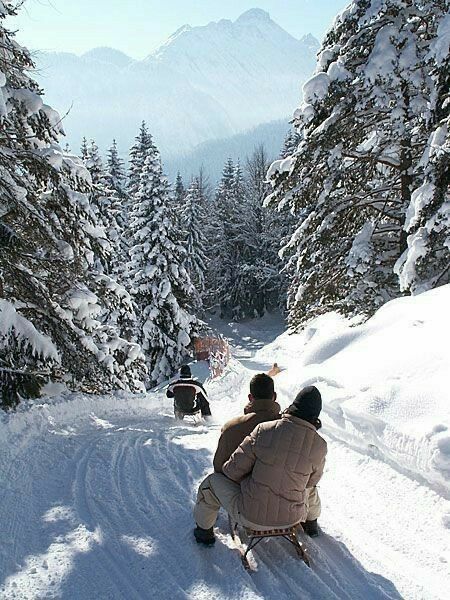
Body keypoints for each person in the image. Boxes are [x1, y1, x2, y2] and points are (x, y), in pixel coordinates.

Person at [193, 386, 327, 545]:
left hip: (251, 516)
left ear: (293, 406)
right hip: (293, 519)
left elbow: (232, 471)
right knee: (309, 488)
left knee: (211, 483)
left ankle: (204, 533)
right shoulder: (320, 445)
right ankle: (311, 525)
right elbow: (312, 482)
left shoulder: (264, 430)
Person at [213, 373, 280, 473]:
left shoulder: (230, 428)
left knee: (211, 481)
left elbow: (218, 467)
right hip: (282, 486)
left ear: (250, 398)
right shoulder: (290, 427)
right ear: (274, 396)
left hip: (238, 486)